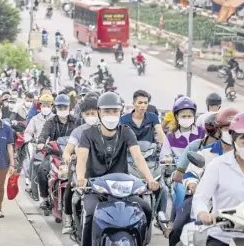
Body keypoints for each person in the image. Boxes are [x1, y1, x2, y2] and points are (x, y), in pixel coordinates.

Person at [76, 92, 160, 246]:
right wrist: (81, 178)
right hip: (95, 189)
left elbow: (138, 157)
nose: (111, 115)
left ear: (120, 112)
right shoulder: (87, 134)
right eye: (107, 111)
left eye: (115, 111)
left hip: (123, 190)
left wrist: (150, 179)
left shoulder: (126, 131)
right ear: (99, 112)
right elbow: (81, 159)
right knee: (90, 214)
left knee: (146, 209)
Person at [168, 111, 236, 246]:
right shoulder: (206, 152)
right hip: (205, 199)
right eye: (226, 129)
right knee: (177, 229)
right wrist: (193, 184)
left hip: (237, 203)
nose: (230, 133)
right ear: (219, 130)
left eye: (233, 130)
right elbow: (191, 173)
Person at [192, 112, 244, 246]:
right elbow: (200, 197)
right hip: (223, 236)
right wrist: (203, 214)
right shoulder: (218, 165)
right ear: (233, 140)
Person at [61, 96, 99, 234]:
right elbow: (67, 150)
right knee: (70, 186)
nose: (90, 116)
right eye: (87, 114)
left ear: (99, 112)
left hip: (100, 169)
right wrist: (68, 157)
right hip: (79, 167)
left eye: (93, 113)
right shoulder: (78, 131)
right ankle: (68, 218)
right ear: (82, 115)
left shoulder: (105, 129)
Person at [37, 94, 76, 210]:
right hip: (54, 154)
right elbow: (43, 135)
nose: (63, 110)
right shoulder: (50, 122)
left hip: (72, 155)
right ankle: (44, 198)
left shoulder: (76, 121)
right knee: (42, 169)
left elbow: (82, 134)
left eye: (65, 107)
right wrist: (41, 142)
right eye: (60, 108)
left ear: (69, 107)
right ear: (56, 108)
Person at [24, 94, 55, 194]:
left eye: (48, 105)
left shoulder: (55, 119)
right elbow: (28, 133)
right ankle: (33, 189)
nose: (46, 107)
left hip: (54, 149)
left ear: (52, 106)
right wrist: (32, 140)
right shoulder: (35, 119)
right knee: (35, 165)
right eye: (44, 105)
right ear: (40, 106)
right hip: (39, 148)